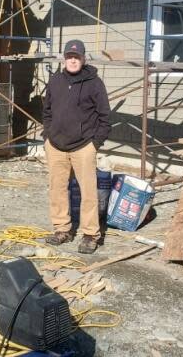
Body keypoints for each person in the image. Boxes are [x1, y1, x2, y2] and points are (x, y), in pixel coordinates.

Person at [42, 39, 111, 254]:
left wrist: (95, 143)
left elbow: (105, 117)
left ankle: (90, 234)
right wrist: (47, 134)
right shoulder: (55, 80)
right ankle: (62, 229)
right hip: (56, 145)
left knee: (88, 191)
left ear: (83, 58)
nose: (73, 60)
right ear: (64, 58)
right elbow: (47, 111)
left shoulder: (94, 83)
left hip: (83, 146)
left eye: (77, 57)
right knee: (57, 188)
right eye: (69, 56)